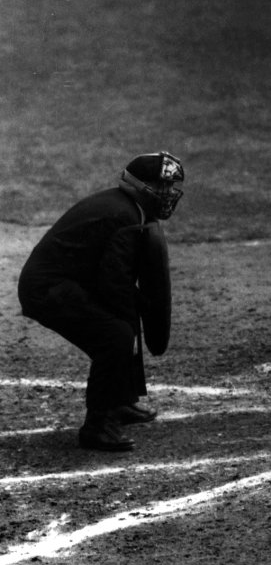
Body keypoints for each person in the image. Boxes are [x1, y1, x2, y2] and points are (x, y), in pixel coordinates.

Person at [18, 152, 185, 452]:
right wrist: (131, 321)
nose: (168, 194)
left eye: (171, 187)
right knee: (115, 335)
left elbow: (111, 279)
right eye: (162, 187)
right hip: (46, 289)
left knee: (124, 322)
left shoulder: (128, 209)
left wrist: (136, 309)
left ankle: (120, 400)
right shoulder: (126, 217)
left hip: (68, 280)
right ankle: (97, 426)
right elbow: (114, 282)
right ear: (140, 187)